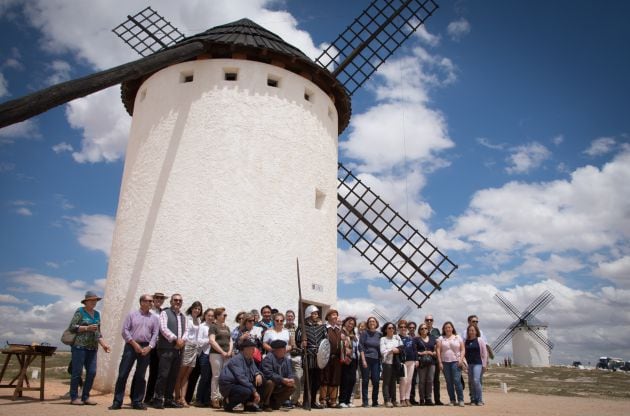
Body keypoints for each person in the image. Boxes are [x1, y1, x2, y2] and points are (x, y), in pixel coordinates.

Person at [109, 294, 159, 410]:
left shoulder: (154, 318)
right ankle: (117, 401)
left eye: (152, 301)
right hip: (131, 346)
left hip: (146, 348)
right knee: (123, 374)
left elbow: (155, 333)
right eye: (149, 301)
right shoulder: (131, 315)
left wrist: (150, 347)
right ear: (142, 302)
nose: (152, 303)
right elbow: (125, 330)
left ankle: (137, 401)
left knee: (141, 376)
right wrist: (134, 344)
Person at [67, 290, 111, 405]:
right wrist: (86, 328)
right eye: (91, 300)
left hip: (92, 347)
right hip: (79, 347)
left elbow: (98, 332)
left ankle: (85, 396)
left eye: (95, 300)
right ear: (86, 301)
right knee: (77, 372)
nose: (94, 302)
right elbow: (72, 327)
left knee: (92, 372)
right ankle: (74, 397)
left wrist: (103, 344)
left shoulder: (97, 314)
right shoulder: (80, 311)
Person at [151, 293, 186, 409]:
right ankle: (157, 399)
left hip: (178, 350)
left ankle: (168, 399)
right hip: (166, 349)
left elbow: (186, 332)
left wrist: (182, 341)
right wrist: (176, 339)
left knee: (173, 375)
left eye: (180, 301)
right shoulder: (164, 313)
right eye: (175, 300)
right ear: (171, 302)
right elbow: (163, 328)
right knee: (163, 374)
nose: (177, 302)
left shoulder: (183, 316)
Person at [219, 338, 264, 412]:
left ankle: (249, 405)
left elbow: (255, 370)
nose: (254, 351)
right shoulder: (236, 360)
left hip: (239, 383)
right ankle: (228, 403)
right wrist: (254, 391)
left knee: (261, 381)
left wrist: (258, 374)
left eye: (254, 349)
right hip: (229, 385)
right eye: (252, 349)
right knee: (246, 391)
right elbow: (241, 377)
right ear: (245, 350)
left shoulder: (250, 359)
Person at [295, 304, 327, 409]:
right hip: (308, 355)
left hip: (318, 356)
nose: (316, 315)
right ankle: (306, 402)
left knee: (317, 381)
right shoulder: (302, 327)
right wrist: (302, 344)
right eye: (314, 313)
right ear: (309, 314)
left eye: (317, 313)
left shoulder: (322, 327)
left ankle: (313, 401)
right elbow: (297, 340)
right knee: (308, 381)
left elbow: (325, 341)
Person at [174, 300, 203, 407]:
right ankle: (177, 397)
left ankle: (183, 398)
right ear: (192, 309)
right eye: (195, 308)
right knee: (180, 374)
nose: (197, 310)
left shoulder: (199, 320)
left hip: (195, 348)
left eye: (199, 309)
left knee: (187, 375)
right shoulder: (187, 319)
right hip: (187, 347)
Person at [144, 291, 167, 403]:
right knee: (141, 370)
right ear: (153, 299)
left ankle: (149, 397)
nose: (159, 300)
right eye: (157, 298)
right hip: (147, 344)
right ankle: (135, 396)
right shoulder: (148, 311)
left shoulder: (163, 312)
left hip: (158, 345)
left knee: (155, 372)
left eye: (161, 298)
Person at [209, 307, 233, 408]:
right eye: (224, 315)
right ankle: (215, 398)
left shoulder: (226, 327)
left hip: (227, 355)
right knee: (216, 376)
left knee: (225, 377)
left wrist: (229, 351)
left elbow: (231, 340)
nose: (225, 317)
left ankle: (224, 397)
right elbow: (212, 341)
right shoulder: (213, 327)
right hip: (216, 354)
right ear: (217, 316)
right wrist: (222, 352)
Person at [261, 339, 296, 410]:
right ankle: (265, 403)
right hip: (269, 385)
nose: (284, 351)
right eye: (282, 349)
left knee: (293, 387)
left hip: (280, 384)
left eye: (284, 349)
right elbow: (269, 374)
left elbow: (290, 372)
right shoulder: (268, 358)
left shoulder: (286, 359)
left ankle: (275, 403)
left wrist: (291, 379)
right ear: (276, 350)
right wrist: (282, 379)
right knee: (270, 383)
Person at [436, 321, 465, 407]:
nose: (448, 329)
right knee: (449, 382)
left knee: (457, 380)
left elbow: (463, 349)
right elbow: (438, 350)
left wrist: (461, 359)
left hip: (456, 361)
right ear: (444, 329)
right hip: (445, 362)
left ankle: (461, 399)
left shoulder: (458, 337)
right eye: (446, 327)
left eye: (449, 327)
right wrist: (440, 362)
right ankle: (452, 400)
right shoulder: (441, 338)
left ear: (452, 328)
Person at [319, 309, 342, 408]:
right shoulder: (323, 328)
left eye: (336, 315)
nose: (335, 316)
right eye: (333, 315)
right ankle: (323, 400)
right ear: (328, 317)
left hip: (337, 358)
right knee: (325, 378)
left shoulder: (338, 330)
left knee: (335, 378)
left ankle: (332, 400)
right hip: (326, 357)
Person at [194, 308, 215, 407]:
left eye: (212, 316)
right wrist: (210, 340)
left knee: (211, 377)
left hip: (214, 354)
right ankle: (198, 399)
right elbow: (199, 341)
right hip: (204, 354)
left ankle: (206, 399)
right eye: (209, 315)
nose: (210, 317)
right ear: (205, 316)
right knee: (204, 377)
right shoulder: (202, 326)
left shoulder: (215, 327)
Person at [359, 316, 381, 407]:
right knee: (365, 380)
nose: (372, 323)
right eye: (370, 321)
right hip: (366, 359)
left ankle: (375, 401)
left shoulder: (380, 334)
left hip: (376, 360)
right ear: (368, 323)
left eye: (373, 321)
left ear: (376, 323)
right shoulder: (364, 333)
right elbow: (361, 347)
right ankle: (365, 401)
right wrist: (363, 360)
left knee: (376, 380)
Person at [380, 321, 402, 408]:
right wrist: (392, 350)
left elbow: (402, 347)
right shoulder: (383, 339)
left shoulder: (397, 338)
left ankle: (394, 400)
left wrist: (398, 350)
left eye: (393, 328)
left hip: (396, 362)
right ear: (386, 330)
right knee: (386, 382)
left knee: (393, 382)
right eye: (389, 328)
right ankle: (387, 400)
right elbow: (383, 351)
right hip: (387, 362)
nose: (391, 329)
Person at [464, 324, 488, 405]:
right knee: (471, 382)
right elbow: (464, 354)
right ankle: (473, 399)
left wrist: (484, 365)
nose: (471, 332)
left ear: (476, 331)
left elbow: (484, 353)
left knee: (476, 380)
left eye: (473, 330)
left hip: (478, 363)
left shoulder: (480, 340)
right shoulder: (466, 341)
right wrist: (464, 365)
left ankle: (480, 399)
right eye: (469, 330)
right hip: (469, 364)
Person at [338, 316, 358, 408]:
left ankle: (348, 401)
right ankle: (342, 400)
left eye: (353, 324)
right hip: (345, 359)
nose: (351, 325)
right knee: (345, 380)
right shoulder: (341, 332)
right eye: (349, 322)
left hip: (354, 359)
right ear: (345, 322)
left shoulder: (353, 335)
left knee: (352, 380)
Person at [415, 322, 436, 405]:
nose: (424, 330)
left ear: (428, 330)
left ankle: (429, 398)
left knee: (430, 380)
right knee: (422, 381)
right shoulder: (416, 339)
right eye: (422, 328)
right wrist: (421, 353)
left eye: (425, 328)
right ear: (419, 330)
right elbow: (414, 351)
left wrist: (432, 353)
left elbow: (436, 350)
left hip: (431, 361)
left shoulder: (432, 338)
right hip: (422, 362)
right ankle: (422, 399)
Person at [397, 320, 417, 407]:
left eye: (405, 327)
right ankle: (402, 399)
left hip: (411, 361)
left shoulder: (410, 338)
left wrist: (416, 360)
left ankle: (407, 399)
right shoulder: (397, 338)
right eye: (401, 327)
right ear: (398, 328)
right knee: (403, 380)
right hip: (403, 362)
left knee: (409, 381)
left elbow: (414, 350)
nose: (403, 328)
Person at [285, 309, 302, 407]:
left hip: (297, 356)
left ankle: (294, 400)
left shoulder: (299, 328)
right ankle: (286, 399)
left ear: (294, 317)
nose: (290, 317)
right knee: (287, 378)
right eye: (288, 316)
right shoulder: (282, 328)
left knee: (298, 378)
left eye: (291, 316)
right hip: (286, 357)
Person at [425, 314, 443, 405]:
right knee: (426, 380)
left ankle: (437, 399)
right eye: (427, 320)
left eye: (430, 320)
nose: (429, 322)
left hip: (434, 358)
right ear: (425, 321)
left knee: (436, 380)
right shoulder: (422, 330)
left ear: (433, 321)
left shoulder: (436, 331)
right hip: (424, 359)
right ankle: (426, 399)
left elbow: (439, 343)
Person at [406, 321, 419, 405]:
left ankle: (412, 398)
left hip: (415, 361)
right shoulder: (405, 337)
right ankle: (405, 398)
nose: (411, 329)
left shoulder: (417, 338)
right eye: (410, 327)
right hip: (406, 361)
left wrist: (417, 359)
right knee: (405, 380)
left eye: (413, 328)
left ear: (415, 328)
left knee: (413, 380)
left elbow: (417, 350)